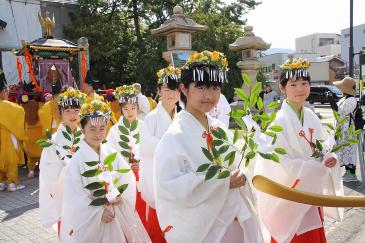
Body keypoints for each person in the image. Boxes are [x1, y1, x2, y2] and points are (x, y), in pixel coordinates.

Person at [154, 51, 263, 243]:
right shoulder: (174, 136)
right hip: (205, 227)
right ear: (184, 89)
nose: (209, 95)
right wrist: (222, 182)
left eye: (214, 87)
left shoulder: (218, 127)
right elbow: (169, 186)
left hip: (234, 216)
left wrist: (241, 172)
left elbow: (236, 163)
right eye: (201, 87)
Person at [254, 58, 343, 243]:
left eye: (304, 83)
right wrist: (311, 168)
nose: (300, 89)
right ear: (282, 88)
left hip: (310, 190)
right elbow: (276, 163)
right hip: (292, 194)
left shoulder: (310, 115)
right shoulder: (279, 121)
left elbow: (323, 145)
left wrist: (329, 156)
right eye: (293, 84)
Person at [60, 100, 150, 243]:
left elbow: (125, 175)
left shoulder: (110, 152)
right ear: (82, 129)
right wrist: (98, 212)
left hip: (114, 211)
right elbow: (75, 196)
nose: (98, 134)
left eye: (102, 128)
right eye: (92, 129)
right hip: (92, 219)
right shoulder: (76, 161)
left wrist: (120, 193)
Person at [139, 66, 181, 243]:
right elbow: (145, 148)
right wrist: (171, 144)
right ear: (158, 92)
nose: (171, 94)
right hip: (159, 180)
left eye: (175, 90)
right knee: (159, 232)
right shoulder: (151, 118)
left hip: (178, 179)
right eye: (166, 90)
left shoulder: (181, 117)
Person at [39, 88, 86, 234]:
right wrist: (67, 170)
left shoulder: (87, 137)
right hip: (66, 197)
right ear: (60, 112)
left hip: (87, 195)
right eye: (68, 111)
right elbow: (47, 170)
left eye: (76, 110)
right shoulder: (53, 142)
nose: (73, 115)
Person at [106, 84, 147, 228]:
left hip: (143, 178)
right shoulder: (114, 131)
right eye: (126, 109)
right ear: (121, 109)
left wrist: (141, 163)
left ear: (138, 108)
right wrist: (125, 166)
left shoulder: (144, 126)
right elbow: (109, 157)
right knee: (127, 218)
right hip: (122, 178)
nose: (130, 112)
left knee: (143, 216)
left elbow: (150, 152)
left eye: (133, 108)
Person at [328, 77, 359, 182]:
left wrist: (331, 101)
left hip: (348, 130)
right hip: (342, 129)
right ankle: (347, 173)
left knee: (349, 151)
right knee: (344, 151)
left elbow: (341, 111)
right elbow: (337, 112)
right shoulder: (345, 99)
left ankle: (352, 175)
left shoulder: (352, 100)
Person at [0, 70, 26, 191]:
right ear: (4, 92)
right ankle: (12, 183)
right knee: (11, 159)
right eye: (7, 91)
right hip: (7, 135)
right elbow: (20, 111)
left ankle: (1, 182)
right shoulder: (6, 104)